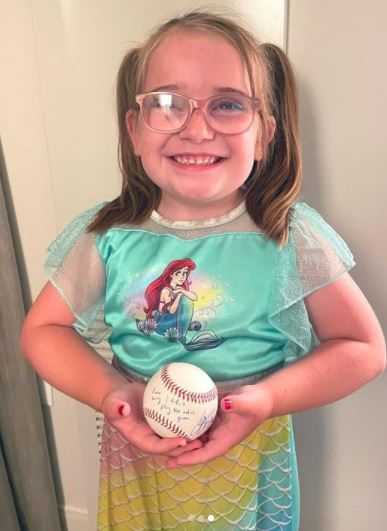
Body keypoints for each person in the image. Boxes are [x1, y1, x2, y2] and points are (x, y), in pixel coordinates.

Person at [20, 10, 386, 531]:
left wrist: (266, 399)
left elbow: (362, 348)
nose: (197, 127)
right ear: (134, 130)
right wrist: (111, 392)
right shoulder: (109, 236)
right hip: (138, 459)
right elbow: (42, 331)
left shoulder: (287, 235)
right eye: (166, 104)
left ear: (264, 135)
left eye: (228, 105)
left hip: (248, 455)